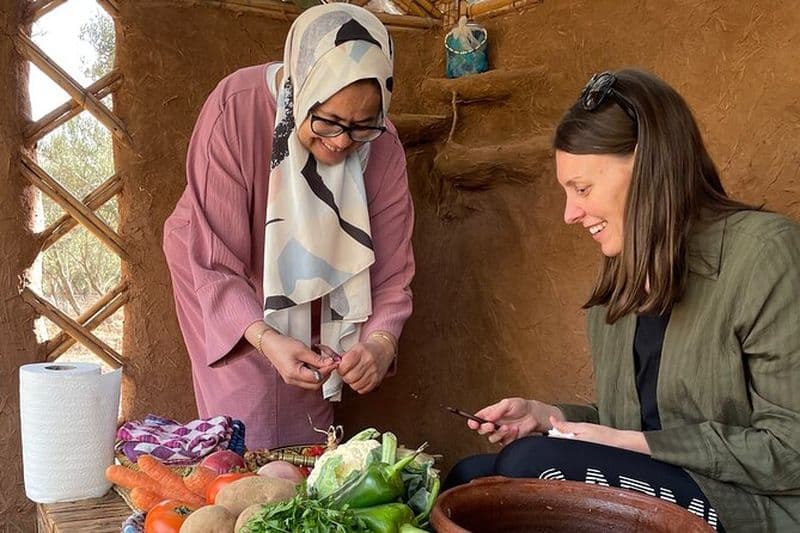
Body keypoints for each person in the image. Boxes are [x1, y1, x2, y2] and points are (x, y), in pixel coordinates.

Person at [444, 69, 800, 532]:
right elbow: (634, 424)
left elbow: (790, 449)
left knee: (531, 464)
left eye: (582, 189)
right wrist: (549, 418)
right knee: (468, 482)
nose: (570, 214)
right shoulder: (620, 281)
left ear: (648, 167)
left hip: (755, 508)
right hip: (666, 484)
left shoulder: (764, 255)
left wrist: (629, 444)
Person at [162, 4, 414, 450]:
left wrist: (380, 343)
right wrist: (267, 338)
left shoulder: (383, 145)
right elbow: (215, 259)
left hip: (320, 282)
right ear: (301, 89)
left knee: (310, 415)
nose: (342, 142)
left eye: (361, 127)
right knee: (247, 418)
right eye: (328, 121)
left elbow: (393, 273)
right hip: (222, 264)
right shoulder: (235, 110)